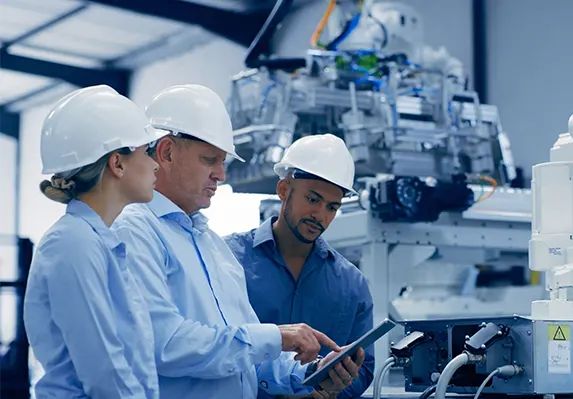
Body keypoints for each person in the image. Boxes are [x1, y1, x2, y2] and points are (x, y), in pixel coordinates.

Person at [112, 84, 364, 399]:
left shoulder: (213, 247)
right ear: (166, 153)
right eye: (209, 160)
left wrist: (309, 372)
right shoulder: (135, 232)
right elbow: (164, 343)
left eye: (222, 163)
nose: (221, 174)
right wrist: (276, 336)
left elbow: (248, 357)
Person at [23, 85, 167, 398]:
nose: (156, 164)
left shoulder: (99, 240)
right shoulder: (73, 244)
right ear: (118, 163)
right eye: (147, 152)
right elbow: (103, 370)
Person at [224, 134, 375, 399]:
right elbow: (216, 344)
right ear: (283, 190)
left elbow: (365, 368)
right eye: (313, 199)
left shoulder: (352, 284)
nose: (321, 215)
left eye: (332, 207)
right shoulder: (226, 258)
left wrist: (330, 389)